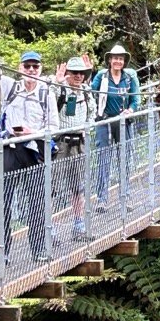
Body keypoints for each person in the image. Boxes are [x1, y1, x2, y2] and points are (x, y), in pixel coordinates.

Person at [0, 27, 59, 262]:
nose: (31, 70)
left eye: (35, 66)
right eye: (27, 66)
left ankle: (39, 251)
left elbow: (54, 126)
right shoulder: (10, 87)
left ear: (40, 69)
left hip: (34, 150)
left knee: (36, 203)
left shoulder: (47, 94)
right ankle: (1, 253)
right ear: (20, 68)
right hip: (10, 150)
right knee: (0, 203)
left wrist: (33, 132)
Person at [90, 43, 141, 212]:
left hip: (122, 122)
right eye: (115, 58)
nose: (118, 61)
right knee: (103, 160)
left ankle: (125, 198)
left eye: (121, 58)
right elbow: (91, 93)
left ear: (124, 61)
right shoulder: (101, 76)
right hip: (104, 121)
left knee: (124, 159)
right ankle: (102, 200)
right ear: (110, 60)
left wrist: (131, 110)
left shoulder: (129, 78)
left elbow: (136, 99)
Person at [53, 55, 95, 237]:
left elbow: (93, 111)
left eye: (82, 73)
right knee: (53, 186)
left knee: (78, 186)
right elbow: (47, 100)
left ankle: (78, 224)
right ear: (67, 73)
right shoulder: (59, 91)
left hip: (80, 142)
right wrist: (57, 82)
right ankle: (50, 227)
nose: (78, 76)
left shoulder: (86, 91)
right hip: (60, 143)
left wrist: (88, 126)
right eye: (74, 73)